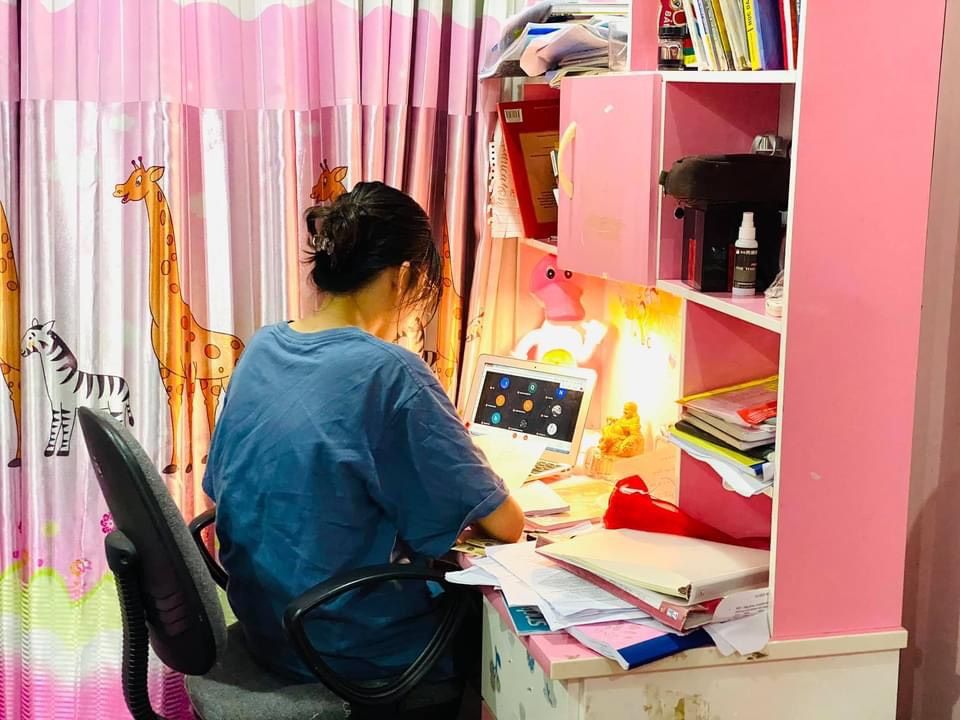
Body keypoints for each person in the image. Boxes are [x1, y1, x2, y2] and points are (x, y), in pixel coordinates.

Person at [202, 181, 524, 714]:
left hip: (267, 627)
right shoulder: (391, 373)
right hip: (345, 648)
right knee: (493, 627)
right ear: (404, 276)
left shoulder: (262, 347)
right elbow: (506, 524)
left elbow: (233, 484)